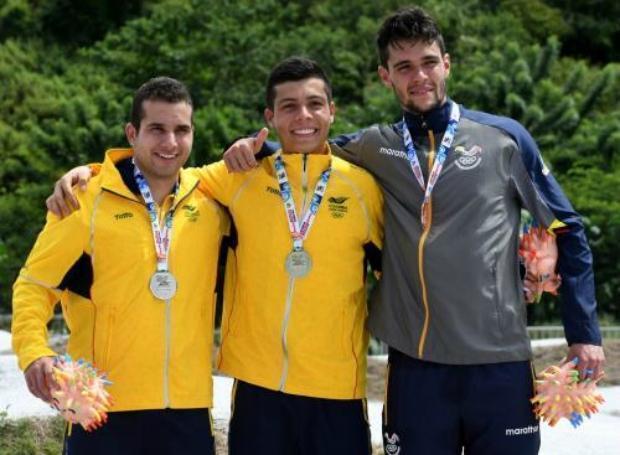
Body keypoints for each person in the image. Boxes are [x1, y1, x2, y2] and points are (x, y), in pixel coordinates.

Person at [222, 7, 605, 455]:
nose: (418, 76)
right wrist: (254, 148)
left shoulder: (504, 140)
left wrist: (584, 333)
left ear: (447, 62)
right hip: (416, 370)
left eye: (428, 62)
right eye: (404, 67)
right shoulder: (373, 146)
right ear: (386, 76)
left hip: (499, 364)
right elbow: (309, 147)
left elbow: (568, 228)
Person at [46, 57, 383, 454]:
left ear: (332, 110)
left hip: (337, 391)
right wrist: (87, 175)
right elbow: (158, 173)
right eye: (289, 107)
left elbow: (396, 273)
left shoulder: (364, 189)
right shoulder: (236, 178)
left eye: (314, 104)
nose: (303, 116)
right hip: (257, 392)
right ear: (270, 116)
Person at [12, 77, 231, 454]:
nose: (170, 143)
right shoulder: (84, 201)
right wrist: (35, 352)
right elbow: (34, 285)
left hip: (187, 411)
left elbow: (274, 159)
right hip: (100, 407)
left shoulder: (212, 202)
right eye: (156, 129)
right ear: (132, 133)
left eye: (181, 130)